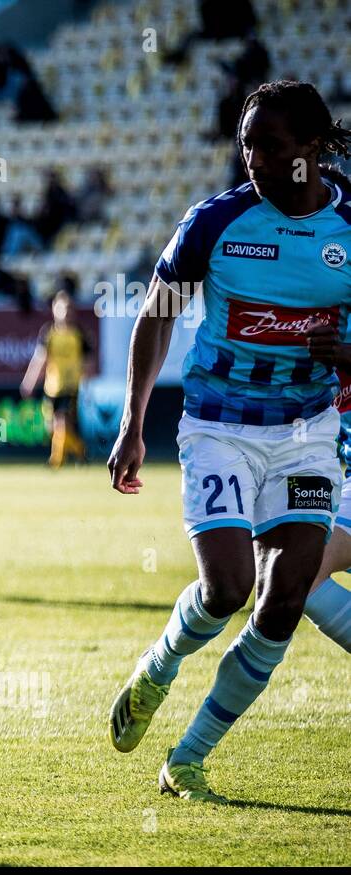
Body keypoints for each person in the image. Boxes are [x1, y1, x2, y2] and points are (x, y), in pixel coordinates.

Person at [107, 80, 351, 802]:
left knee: (283, 599)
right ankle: (160, 665)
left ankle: (188, 758)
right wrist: (131, 422)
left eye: (270, 146)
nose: (253, 160)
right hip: (218, 429)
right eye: (245, 144)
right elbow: (155, 317)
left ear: (311, 147)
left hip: (309, 437)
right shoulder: (216, 223)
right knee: (228, 589)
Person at [20, 284, 95, 468]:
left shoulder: (79, 334)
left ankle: (55, 461)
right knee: (53, 427)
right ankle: (80, 451)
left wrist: (87, 384)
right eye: (62, 308)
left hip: (70, 386)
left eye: (69, 308)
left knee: (61, 422)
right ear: (54, 309)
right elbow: (40, 360)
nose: (66, 312)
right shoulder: (49, 333)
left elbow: (88, 362)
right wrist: (29, 382)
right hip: (52, 387)